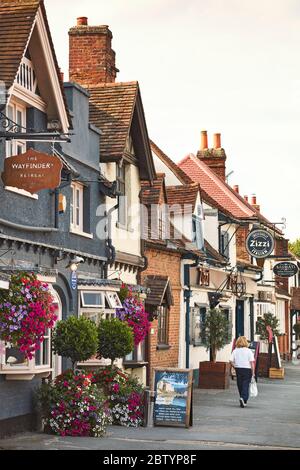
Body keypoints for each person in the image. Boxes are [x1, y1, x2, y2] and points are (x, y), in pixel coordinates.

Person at [230, 336, 255, 408]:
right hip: (247, 369)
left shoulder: (235, 351)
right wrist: (253, 372)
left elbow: (231, 361)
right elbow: (251, 363)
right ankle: (244, 399)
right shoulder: (249, 351)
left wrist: (235, 367)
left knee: (239, 384)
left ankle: (242, 397)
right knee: (245, 384)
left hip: (238, 369)